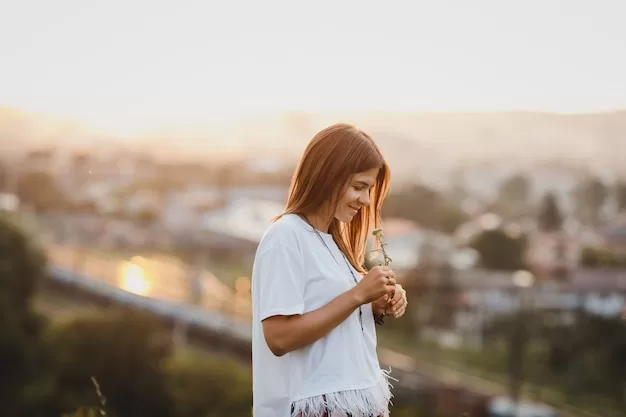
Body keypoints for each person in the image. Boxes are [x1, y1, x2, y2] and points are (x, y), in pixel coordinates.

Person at [251, 123, 409, 417]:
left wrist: (374, 303)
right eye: (358, 187)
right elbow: (279, 337)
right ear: (328, 177)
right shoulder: (286, 236)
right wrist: (357, 295)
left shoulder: (335, 242)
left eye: (369, 190)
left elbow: (334, 316)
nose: (364, 200)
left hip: (356, 406)